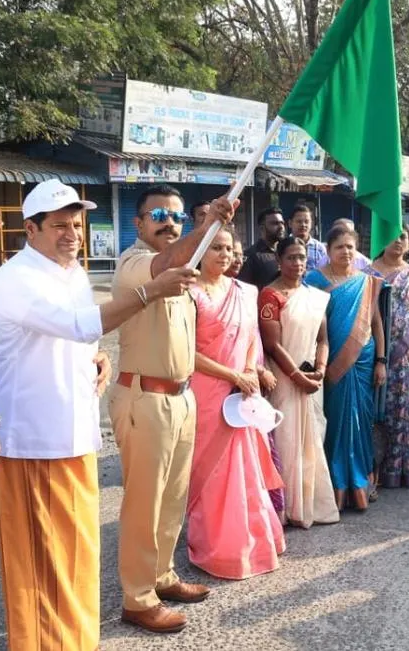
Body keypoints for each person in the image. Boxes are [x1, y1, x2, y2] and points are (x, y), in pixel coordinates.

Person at [0, 180, 194, 650]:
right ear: (31, 228)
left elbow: (82, 335)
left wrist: (97, 356)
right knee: (42, 564)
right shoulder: (18, 277)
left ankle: (78, 640)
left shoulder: (72, 273)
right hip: (34, 442)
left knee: (79, 554)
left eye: (76, 225)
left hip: (76, 434)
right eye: (59, 225)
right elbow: (77, 323)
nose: (71, 234)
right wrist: (151, 291)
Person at [111, 184, 237, 633]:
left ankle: (161, 576)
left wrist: (208, 228)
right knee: (144, 503)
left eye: (178, 217)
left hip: (180, 398)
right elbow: (163, 264)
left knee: (171, 499)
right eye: (159, 214)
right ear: (139, 222)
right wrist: (205, 227)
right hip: (145, 399)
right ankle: (137, 598)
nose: (169, 222)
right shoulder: (134, 262)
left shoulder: (184, 275)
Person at [186, 226, 285, 579]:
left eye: (228, 248)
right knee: (210, 471)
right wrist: (233, 377)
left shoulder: (245, 291)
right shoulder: (188, 294)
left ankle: (253, 542)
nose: (224, 254)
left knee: (244, 469)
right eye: (215, 247)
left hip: (241, 392)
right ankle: (216, 549)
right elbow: (186, 353)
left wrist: (247, 373)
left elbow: (250, 340)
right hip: (207, 392)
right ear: (199, 251)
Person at [259, 236, 339, 528]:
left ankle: (311, 505)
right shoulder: (270, 295)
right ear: (279, 261)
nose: (297, 263)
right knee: (287, 441)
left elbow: (323, 339)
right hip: (284, 379)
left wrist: (319, 369)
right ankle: (287, 508)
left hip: (311, 381)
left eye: (302, 258)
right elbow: (272, 345)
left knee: (312, 440)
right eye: (291, 257)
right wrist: (297, 377)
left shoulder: (313, 296)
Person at [304, 225, 386, 510]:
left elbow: (376, 323)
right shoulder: (314, 280)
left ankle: (361, 483)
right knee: (337, 421)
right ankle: (337, 486)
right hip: (332, 362)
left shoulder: (367, 282)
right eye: (340, 247)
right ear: (328, 251)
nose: (346, 252)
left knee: (362, 422)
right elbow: (309, 324)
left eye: (350, 247)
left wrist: (381, 361)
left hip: (363, 362)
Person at [366, 225, 409, 488]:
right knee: (377, 415)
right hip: (374, 358)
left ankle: (407, 470)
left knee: (408, 416)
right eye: (392, 234)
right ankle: (375, 471)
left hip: (408, 359)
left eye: (402, 236)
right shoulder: (367, 274)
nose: (397, 240)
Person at [238, 206, 286, 288]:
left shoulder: (285, 252)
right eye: (275, 223)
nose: (281, 227)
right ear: (262, 228)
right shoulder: (251, 255)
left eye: (282, 223)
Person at [288, 204, 329, 272]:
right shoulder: (283, 246)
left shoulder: (320, 248)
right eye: (299, 221)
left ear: (311, 224)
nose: (303, 225)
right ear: (290, 223)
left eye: (306, 222)